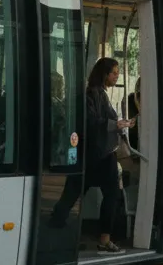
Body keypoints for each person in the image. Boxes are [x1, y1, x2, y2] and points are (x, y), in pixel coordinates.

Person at [50, 58, 133, 253]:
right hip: (98, 155)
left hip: (97, 154)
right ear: (104, 74)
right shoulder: (93, 94)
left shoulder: (99, 93)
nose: (117, 76)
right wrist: (117, 125)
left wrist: (120, 124)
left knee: (76, 192)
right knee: (102, 193)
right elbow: (93, 122)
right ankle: (101, 237)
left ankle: (59, 226)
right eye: (114, 73)